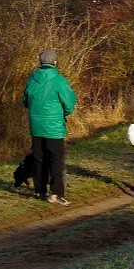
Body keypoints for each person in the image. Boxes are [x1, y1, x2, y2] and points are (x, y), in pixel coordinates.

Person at [23, 49, 77, 206]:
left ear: (40, 62)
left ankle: (40, 190)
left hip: (36, 125)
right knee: (56, 158)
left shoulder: (32, 79)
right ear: (55, 63)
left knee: (39, 158)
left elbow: (25, 101)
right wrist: (63, 114)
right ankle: (56, 194)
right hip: (53, 126)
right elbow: (69, 103)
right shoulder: (59, 80)